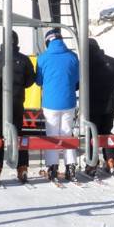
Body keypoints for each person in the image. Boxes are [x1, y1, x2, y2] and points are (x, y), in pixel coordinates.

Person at [0, 31, 37, 183]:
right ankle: (22, 167)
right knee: (18, 133)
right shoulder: (24, 59)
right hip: (16, 101)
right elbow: (30, 81)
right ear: (17, 42)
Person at [35, 28, 79, 182]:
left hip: (50, 103)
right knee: (67, 133)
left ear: (48, 42)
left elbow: (38, 81)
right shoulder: (73, 56)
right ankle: (71, 167)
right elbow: (77, 79)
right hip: (69, 101)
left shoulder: (43, 58)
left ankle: (53, 167)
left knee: (52, 135)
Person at [85, 39, 114, 177]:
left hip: (92, 106)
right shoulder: (111, 61)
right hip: (110, 106)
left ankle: (92, 164)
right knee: (106, 132)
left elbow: (76, 84)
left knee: (91, 134)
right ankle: (111, 161)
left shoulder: (85, 64)